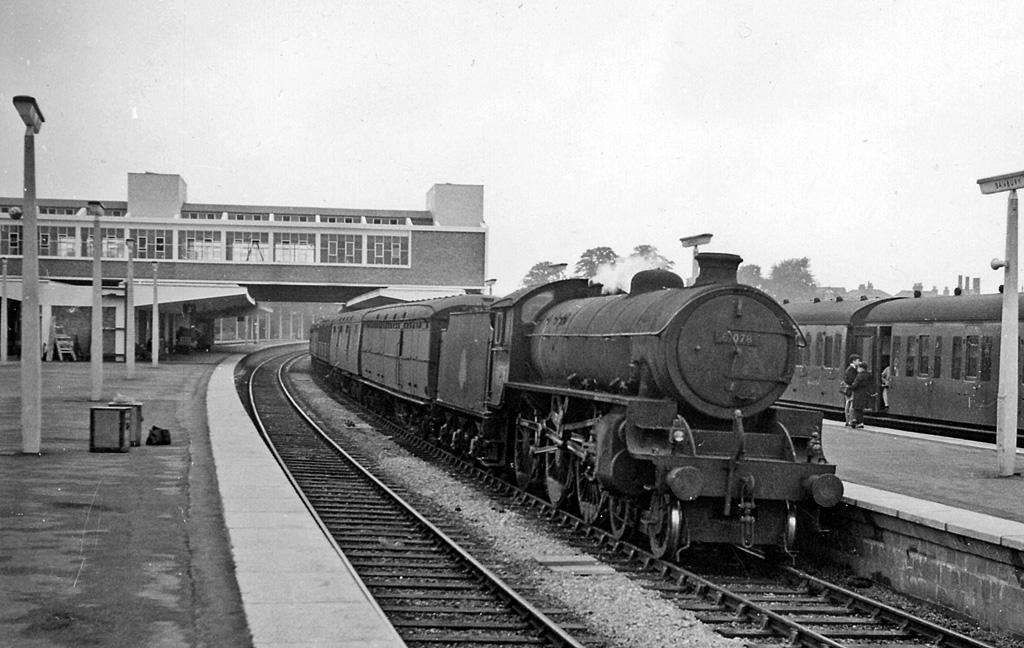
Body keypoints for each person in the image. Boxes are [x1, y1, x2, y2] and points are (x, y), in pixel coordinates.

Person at [850, 363, 876, 429]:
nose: (857, 369)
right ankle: (858, 421)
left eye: (858, 368)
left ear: (861, 368)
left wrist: (850, 387)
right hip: (865, 393)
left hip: (858, 393)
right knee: (860, 408)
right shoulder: (869, 375)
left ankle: (858, 421)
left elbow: (856, 385)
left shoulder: (859, 376)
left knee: (856, 408)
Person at [843, 354, 861, 426]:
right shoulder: (851, 369)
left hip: (848, 388)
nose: (859, 362)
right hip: (851, 388)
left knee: (848, 403)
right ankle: (850, 420)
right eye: (858, 360)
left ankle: (848, 420)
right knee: (851, 404)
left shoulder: (850, 369)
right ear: (853, 361)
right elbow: (851, 379)